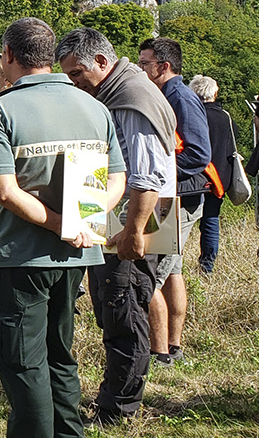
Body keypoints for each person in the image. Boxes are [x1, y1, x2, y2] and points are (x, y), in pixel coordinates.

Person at [0, 18, 126, 438]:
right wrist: (81, 221)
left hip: (18, 258)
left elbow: (5, 191)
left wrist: (62, 224)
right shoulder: (93, 107)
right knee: (60, 356)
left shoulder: (1, 110)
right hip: (76, 255)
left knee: (23, 364)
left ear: (9, 55)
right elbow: (118, 180)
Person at [57, 27, 176, 425]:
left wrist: (134, 233)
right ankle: (114, 399)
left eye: (77, 74)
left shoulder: (129, 99)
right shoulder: (124, 89)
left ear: (102, 62)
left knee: (123, 311)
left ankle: (118, 410)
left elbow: (146, 177)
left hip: (133, 224)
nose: (75, 83)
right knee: (115, 307)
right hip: (120, 220)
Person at [138, 37, 211, 364]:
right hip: (175, 195)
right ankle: (173, 347)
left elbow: (199, 153)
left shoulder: (180, 97)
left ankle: (159, 352)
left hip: (180, 198)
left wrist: (157, 172)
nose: (140, 69)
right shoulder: (168, 95)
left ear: (163, 66)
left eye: (145, 63)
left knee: (150, 275)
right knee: (171, 272)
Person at [188, 75, 238, 275]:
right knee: (210, 220)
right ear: (215, 94)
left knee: (182, 222)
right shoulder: (225, 116)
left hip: (193, 178)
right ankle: (207, 267)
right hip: (219, 179)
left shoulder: (191, 114)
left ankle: (175, 265)